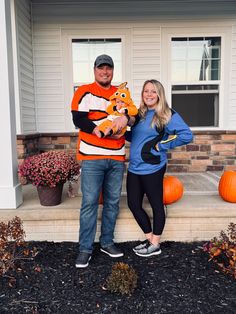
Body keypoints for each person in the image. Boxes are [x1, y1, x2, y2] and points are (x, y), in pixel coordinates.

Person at [71, 54, 130, 268]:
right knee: (89, 202)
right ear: (94, 70)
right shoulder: (83, 91)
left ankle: (107, 242)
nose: (105, 72)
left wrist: (126, 119)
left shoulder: (120, 93)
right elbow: (78, 118)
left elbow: (132, 114)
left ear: (113, 71)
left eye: (109, 68)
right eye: (101, 68)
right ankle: (85, 248)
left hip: (116, 156)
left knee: (112, 202)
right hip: (92, 156)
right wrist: (97, 130)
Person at [126, 79, 193, 257]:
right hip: (134, 168)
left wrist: (161, 146)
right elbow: (135, 137)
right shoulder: (138, 115)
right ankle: (150, 240)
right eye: (146, 91)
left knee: (156, 205)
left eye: (153, 91)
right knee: (133, 204)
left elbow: (187, 135)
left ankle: (155, 244)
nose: (149, 94)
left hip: (153, 167)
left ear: (159, 95)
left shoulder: (166, 114)